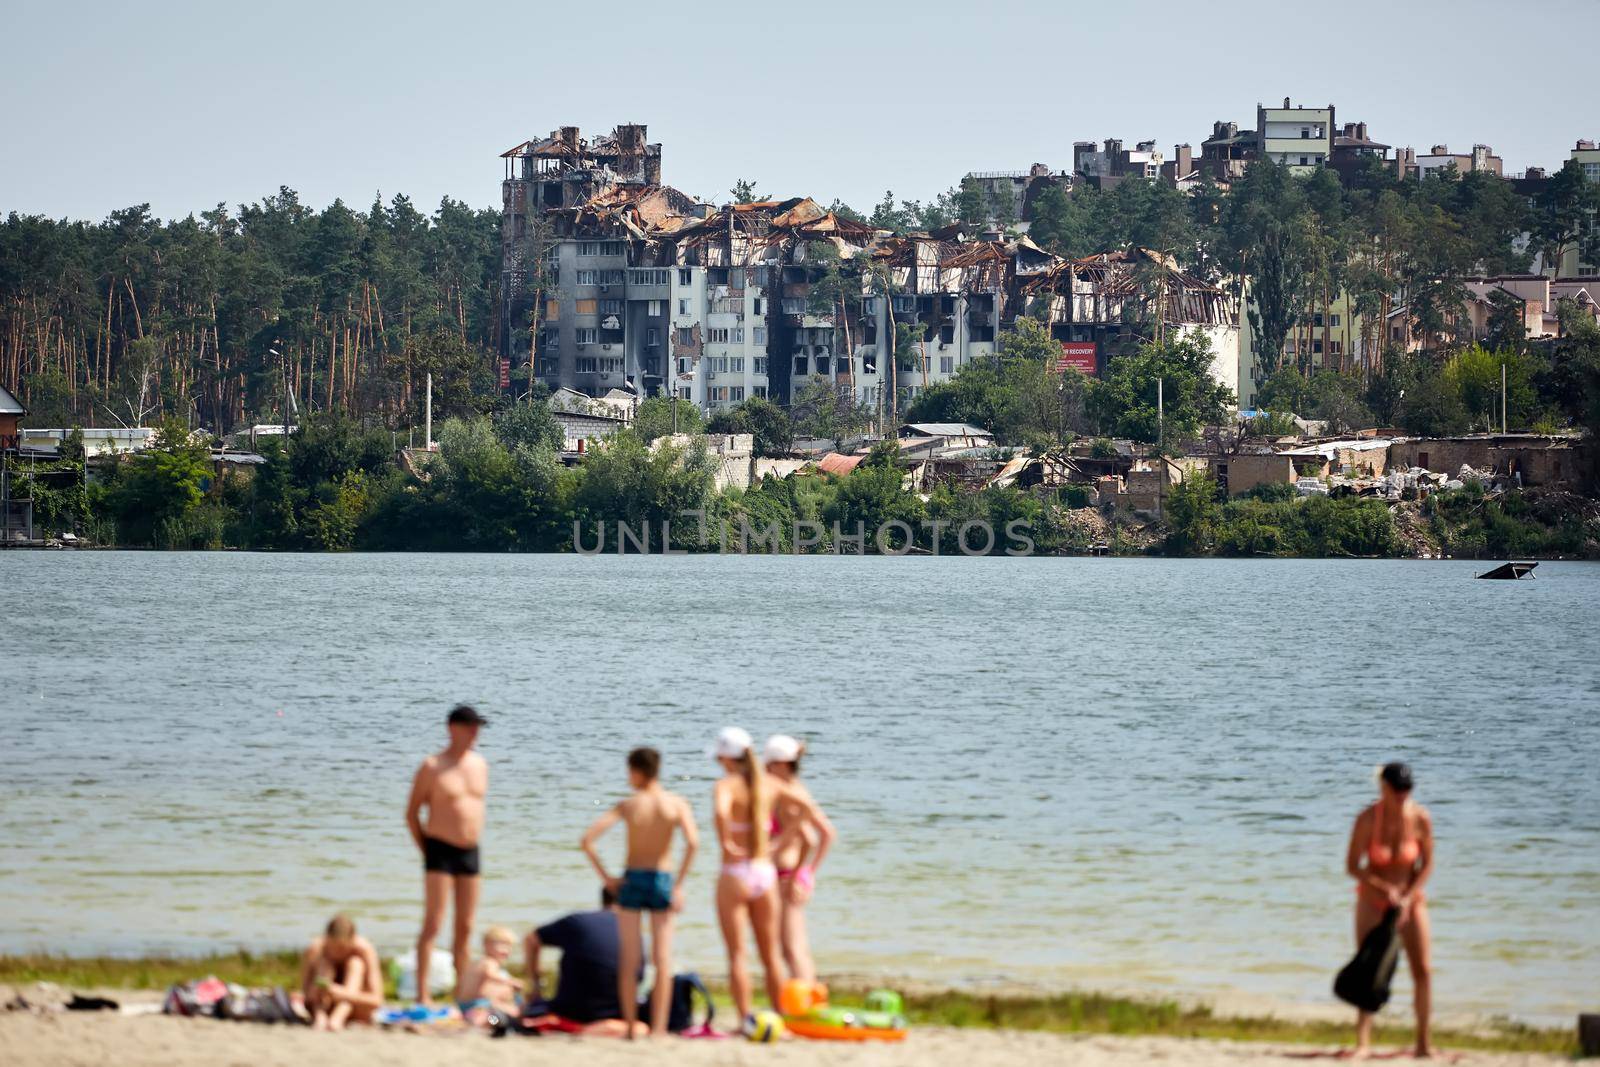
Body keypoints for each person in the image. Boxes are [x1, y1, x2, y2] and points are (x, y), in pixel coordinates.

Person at [710, 726, 831, 1032]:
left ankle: (744, 1020)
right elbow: (807, 809)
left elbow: (722, 813)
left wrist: (726, 841)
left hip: (738, 871)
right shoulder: (771, 785)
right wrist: (777, 842)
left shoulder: (726, 785)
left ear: (726, 758)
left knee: (739, 954)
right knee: (771, 956)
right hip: (765, 872)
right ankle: (781, 1017)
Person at [580, 746, 699, 1038]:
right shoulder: (676, 803)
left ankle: (632, 1028)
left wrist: (607, 878)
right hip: (662, 878)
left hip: (632, 878)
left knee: (630, 959)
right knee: (662, 959)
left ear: (636, 771)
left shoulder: (629, 805)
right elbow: (693, 843)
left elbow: (587, 841)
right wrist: (679, 885)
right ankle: (658, 1029)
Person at [1345, 761, 1435, 1059]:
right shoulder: (1367, 819)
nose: (1402, 795)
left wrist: (1408, 895)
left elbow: (1427, 864)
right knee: (1368, 972)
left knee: (1422, 970)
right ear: (1383, 788)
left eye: (1407, 789)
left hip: (1410, 902)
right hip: (1372, 902)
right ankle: (1363, 1042)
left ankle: (1423, 1044)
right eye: (1397, 789)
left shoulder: (1421, 818)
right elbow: (1352, 866)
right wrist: (1384, 890)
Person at [406, 703, 489, 1004]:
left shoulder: (480, 764)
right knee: (434, 923)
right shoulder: (432, 766)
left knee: (465, 926)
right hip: (439, 849)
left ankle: (461, 993)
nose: (475, 733)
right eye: (470, 727)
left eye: (477, 727)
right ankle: (422, 992)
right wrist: (426, 850)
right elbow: (412, 813)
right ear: (452, 728)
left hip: (471, 850)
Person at [522, 888, 647, 1038]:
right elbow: (638, 977)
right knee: (641, 1027)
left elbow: (531, 939)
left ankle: (494, 1020)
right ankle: (593, 1028)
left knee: (498, 1017)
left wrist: (536, 986)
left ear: (603, 899)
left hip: (570, 1011)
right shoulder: (635, 935)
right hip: (618, 1014)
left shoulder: (577, 921)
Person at [764, 734, 837, 984]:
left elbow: (812, 839)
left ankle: (806, 1001)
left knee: (792, 948)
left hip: (787, 878)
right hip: (792, 875)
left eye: (769, 765)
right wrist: (810, 872)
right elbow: (828, 833)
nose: (765, 771)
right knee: (794, 946)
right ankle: (806, 998)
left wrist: (799, 874)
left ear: (782, 765)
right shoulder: (798, 791)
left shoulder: (788, 797)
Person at [299, 914, 384, 1031]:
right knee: (325, 964)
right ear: (326, 939)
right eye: (332, 948)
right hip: (323, 1004)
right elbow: (305, 993)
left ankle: (338, 1017)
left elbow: (377, 1000)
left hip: (353, 1006)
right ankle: (320, 1016)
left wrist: (342, 993)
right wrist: (317, 990)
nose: (336, 953)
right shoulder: (316, 949)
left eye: (342, 948)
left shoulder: (364, 950)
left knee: (355, 964)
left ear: (353, 940)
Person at [457, 926, 524, 1023]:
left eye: (509, 946)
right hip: (477, 1004)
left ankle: (482, 1020)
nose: (506, 950)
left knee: (502, 1009)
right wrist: (511, 982)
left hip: (465, 1004)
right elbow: (491, 975)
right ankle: (491, 1022)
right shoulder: (489, 962)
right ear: (486, 945)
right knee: (493, 1017)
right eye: (502, 945)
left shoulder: (478, 962)